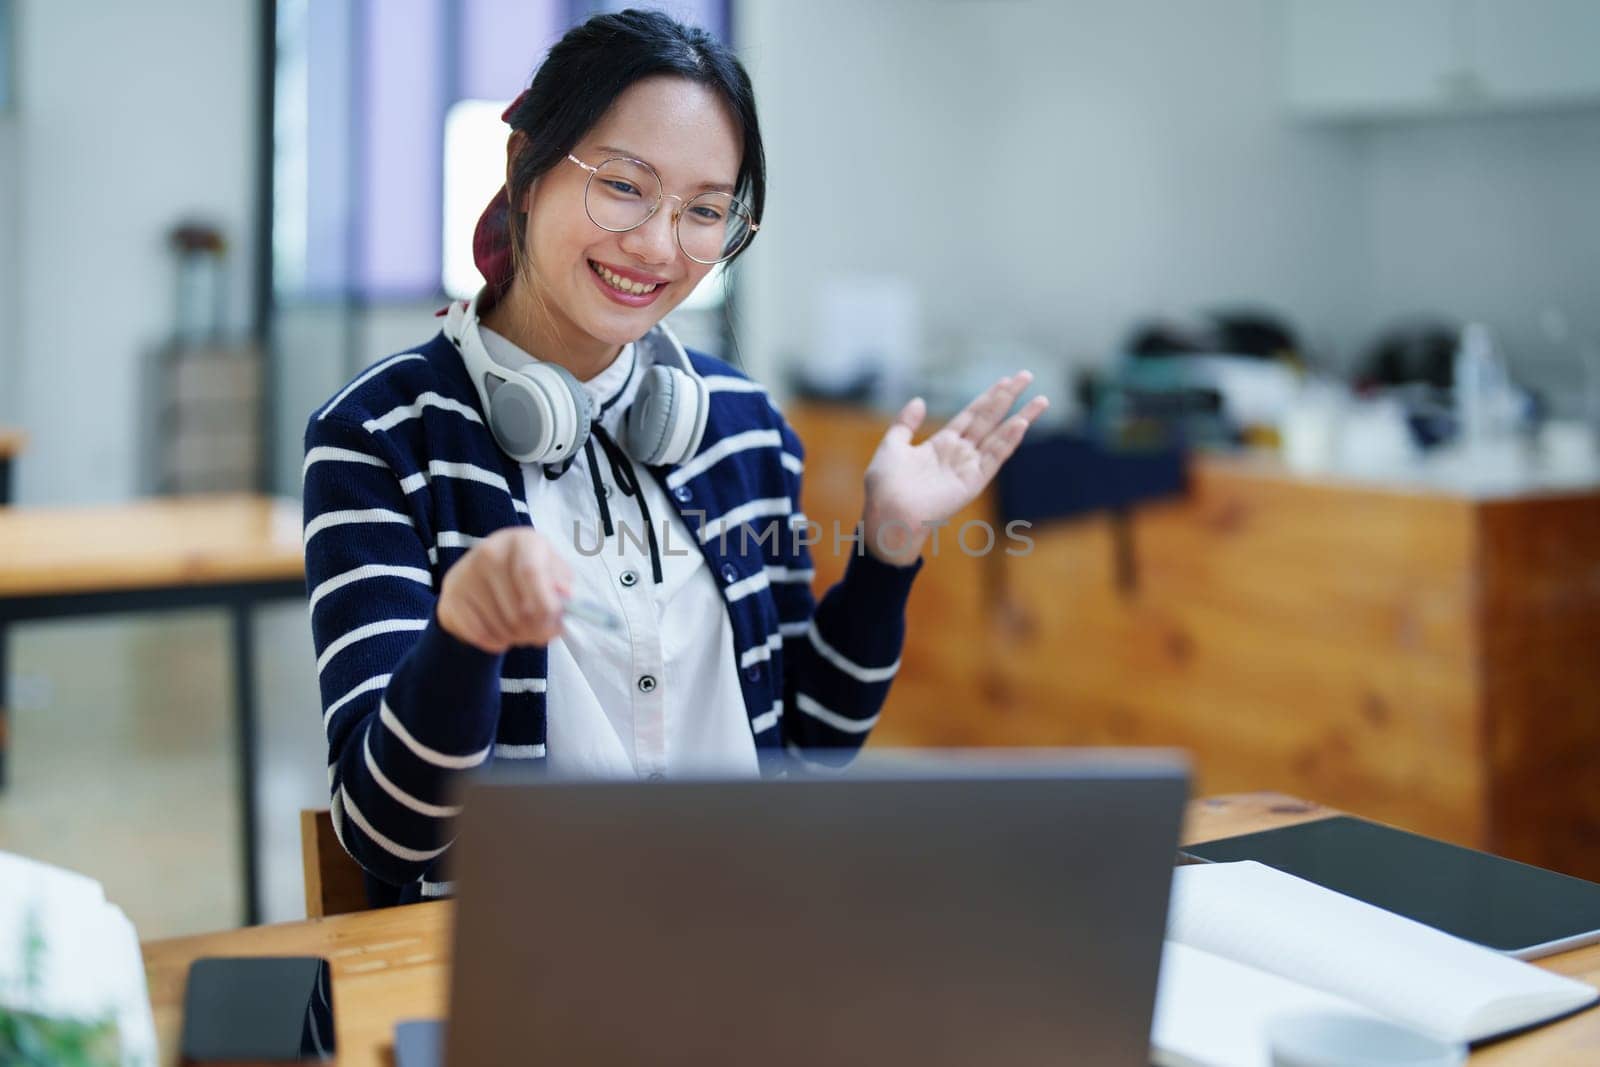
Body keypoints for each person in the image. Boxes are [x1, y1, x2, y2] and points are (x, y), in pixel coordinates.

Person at [302, 8, 1049, 903]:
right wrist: (464, 637)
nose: (658, 246)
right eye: (623, 187)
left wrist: (887, 548)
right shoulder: (380, 434)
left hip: (734, 938)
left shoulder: (741, 425)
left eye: (704, 211)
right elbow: (390, 833)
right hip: (508, 960)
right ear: (526, 173)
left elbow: (808, 739)